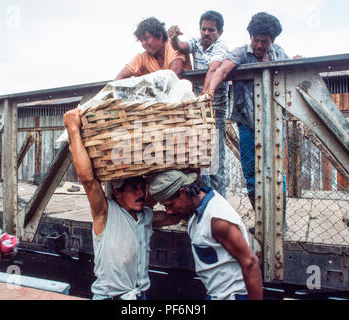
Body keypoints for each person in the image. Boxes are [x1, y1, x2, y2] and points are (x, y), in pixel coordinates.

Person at [63, 108, 181, 300]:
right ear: (117, 193)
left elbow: (176, 214)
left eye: (142, 187)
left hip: (139, 296)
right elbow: (87, 179)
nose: (141, 193)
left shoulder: (146, 216)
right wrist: (73, 129)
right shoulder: (106, 213)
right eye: (133, 188)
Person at [205, 12, 289, 209]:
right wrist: (209, 93)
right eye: (256, 40)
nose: (259, 45)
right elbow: (222, 71)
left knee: (276, 171)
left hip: (274, 121)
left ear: (272, 40)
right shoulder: (241, 53)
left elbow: (294, 73)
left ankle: (280, 218)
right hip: (246, 122)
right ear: (250, 36)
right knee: (251, 172)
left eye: (265, 41)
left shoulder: (278, 53)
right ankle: (260, 218)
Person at [148, 170, 263, 300]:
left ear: (183, 192)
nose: (168, 211)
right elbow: (169, 218)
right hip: (216, 294)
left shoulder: (218, 221)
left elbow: (250, 263)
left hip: (232, 296)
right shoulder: (198, 203)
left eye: (169, 205)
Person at [167, 10, 230, 197]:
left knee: (216, 162)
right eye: (204, 29)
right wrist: (173, 38)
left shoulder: (221, 46)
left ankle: (221, 206)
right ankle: (207, 204)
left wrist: (204, 95)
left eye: (211, 30)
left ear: (219, 32)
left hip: (215, 109)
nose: (206, 33)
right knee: (202, 159)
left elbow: (213, 68)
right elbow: (182, 46)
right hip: (199, 110)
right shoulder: (197, 42)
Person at [115, 17, 192, 80]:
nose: (143, 43)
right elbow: (119, 78)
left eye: (146, 38)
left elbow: (174, 74)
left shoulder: (174, 46)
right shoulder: (141, 58)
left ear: (159, 36)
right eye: (141, 40)